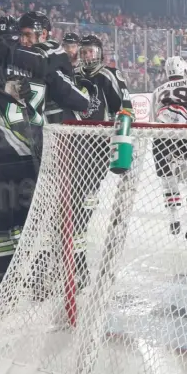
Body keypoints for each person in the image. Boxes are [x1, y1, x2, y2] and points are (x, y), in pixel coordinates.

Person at [70, 34, 133, 287]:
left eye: (91, 52)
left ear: (100, 53)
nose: (87, 56)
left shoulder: (109, 75)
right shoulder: (72, 75)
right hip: (72, 146)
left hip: (97, 149)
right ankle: (71, 262)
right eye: (83, 52)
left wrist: (122, 142)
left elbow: (125, 109)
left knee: (83, 208)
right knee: (71, 207)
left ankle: (79, 266)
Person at [151, 56, 187, 239]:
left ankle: (174, 219)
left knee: (168, 181)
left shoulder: (158, 90)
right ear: (184, 70)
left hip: (162, 139)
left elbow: (152, 121)